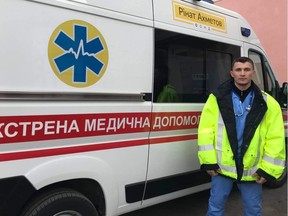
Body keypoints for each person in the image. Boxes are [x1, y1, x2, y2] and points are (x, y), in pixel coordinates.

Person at [198, 57, 286, 216]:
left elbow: (275, 139)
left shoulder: (268, 103)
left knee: (253, 211)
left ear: (253, 72)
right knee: (215, 209)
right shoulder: (216, 98)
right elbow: (205, 131)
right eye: (238, 70)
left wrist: (267, 171)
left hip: (252, 170)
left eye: (246, 69)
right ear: (232, 73)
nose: (242, 73)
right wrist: (208, 161)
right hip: (221, 167)